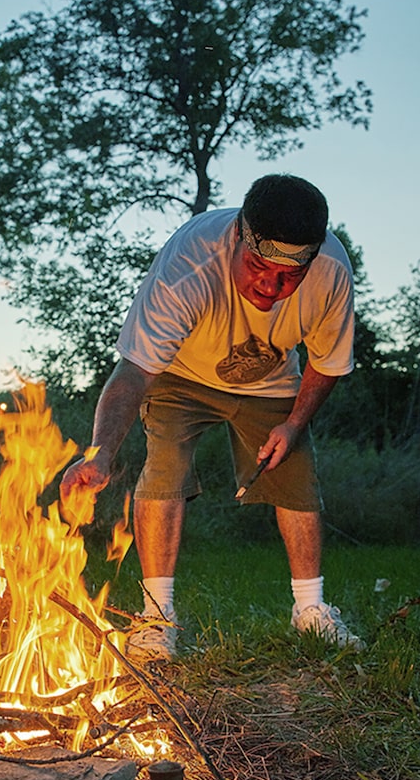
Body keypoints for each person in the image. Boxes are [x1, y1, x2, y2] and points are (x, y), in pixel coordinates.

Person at [60, 173, 364, 660]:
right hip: (180, 374)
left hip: (270, 380)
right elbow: (134, 371)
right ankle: (157, 618)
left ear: (312, 258)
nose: (271, 285)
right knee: (164, 467)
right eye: (259, 266)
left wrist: (293, 423)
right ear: (240, 236)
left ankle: (311, 612)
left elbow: (327, 364)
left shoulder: (331, 271)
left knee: (296, 476)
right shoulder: (191, 261)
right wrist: (100, 453)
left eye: (290, 276)